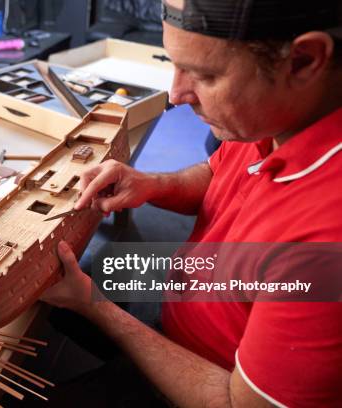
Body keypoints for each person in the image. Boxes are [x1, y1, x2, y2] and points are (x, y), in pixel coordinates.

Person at [41, 0, 342, 406]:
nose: (175, 95)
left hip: (209, 381)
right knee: (74, 293)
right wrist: (152, 184)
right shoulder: (270, 116)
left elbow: (240, 404)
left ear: (303, 60)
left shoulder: (326, 250)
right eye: (174, 63)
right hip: (193, 289)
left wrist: (97, 309)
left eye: (204, 74)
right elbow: (219, 174)